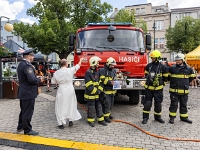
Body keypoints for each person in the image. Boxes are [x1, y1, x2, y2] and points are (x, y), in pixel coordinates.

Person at [51, 58, 84, 129]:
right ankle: (70, 120)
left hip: (61, 90)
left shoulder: (56, 73)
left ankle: (60, 123)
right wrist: (80, 60)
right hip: (70, 90)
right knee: (71, 104)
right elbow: (78, 65)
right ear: (66, 64)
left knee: (60, 106)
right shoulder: (70, 70)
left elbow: (53, 82)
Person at [17, 49, 44, 135]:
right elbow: (32, 79)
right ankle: (27, 130)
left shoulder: (21, 64)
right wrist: (39, 80)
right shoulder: (27, 66)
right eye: (32, 56)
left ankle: (20, 126)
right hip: (28, 92)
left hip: (23, 91)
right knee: (28, 111)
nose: (33, 57)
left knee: (23, 110)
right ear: (29, 56)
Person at [142, 50, 168, 124]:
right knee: (147, 103)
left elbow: (166, 78)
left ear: (157, 58)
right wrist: (148, 77)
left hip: (158, 90)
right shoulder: (149, 66)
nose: (152, 59)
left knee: (158, 104)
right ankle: (145, 118)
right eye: (152, 58)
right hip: (149, 89)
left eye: (153, 58)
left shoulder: (163, 67)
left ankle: (158, 117)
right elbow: (146, 74)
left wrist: (162, 84)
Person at [168, 53, 195, 124]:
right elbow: (168, 77)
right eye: (176, 60)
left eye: (179, 60)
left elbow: (191, 77)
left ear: (183, 60)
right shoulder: (172, 68)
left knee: (184, 105)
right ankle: (172, 118)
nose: (177, 61)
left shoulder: (189, 69)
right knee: (173, 105)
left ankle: (184, 117)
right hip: (174, 91)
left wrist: (185, 84)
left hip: (184, 91)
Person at [84, 56, 107, 127]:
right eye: (97, 62)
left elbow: (101, 82)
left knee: (99, 107)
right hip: (90, 95)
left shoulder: (97, 71)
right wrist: (96, 91)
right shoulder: (88, 73)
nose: (98, 64)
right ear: (93, 63)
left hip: (98, 94)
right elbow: (89, 85)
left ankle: (101, 120)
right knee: (91, 108)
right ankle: (91, 120)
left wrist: (100, 90)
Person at [99, 57, 117, 123]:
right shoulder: (102, 70)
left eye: (113, 65)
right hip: (106, 91)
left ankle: (109, 114)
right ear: (108, 64)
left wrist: (118, 82)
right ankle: (106, 117)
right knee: (107, 104)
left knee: (111, 104)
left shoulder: (113, 71)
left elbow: (115, 78)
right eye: (112, 65)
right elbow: (102, 79)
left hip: (112, 91)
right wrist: (110, 82)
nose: (113, 66)